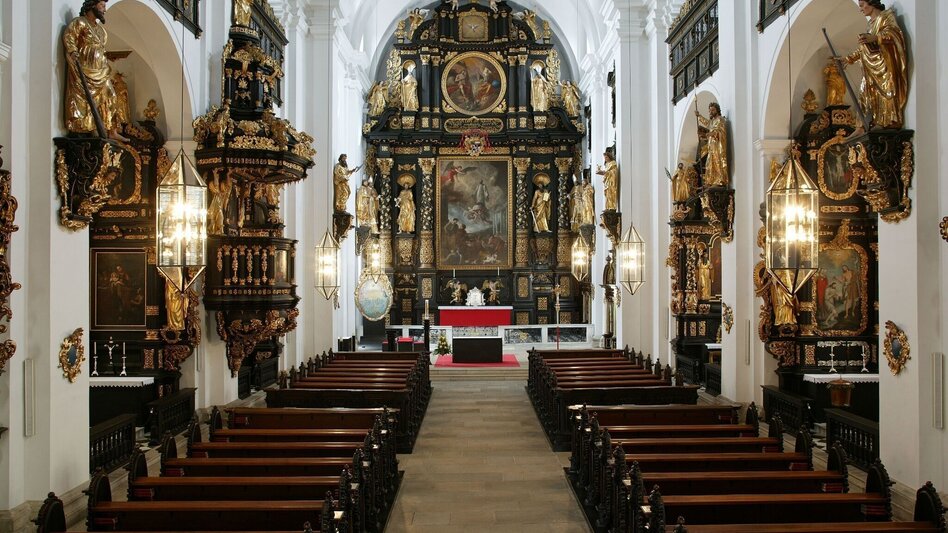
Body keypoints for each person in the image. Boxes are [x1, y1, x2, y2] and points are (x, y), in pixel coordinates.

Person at [840, 0, 908, 130]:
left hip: (884, 65)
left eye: (862, 5)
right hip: (870, 66)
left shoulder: (886, 17)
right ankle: (864, 126)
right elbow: (864, 48)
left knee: (886, 91)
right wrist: (848, 59)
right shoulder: (870, 25)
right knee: (865, 93)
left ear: (871, 2)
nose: (860, 9)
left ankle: (888, 121)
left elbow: (894, 34)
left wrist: (876, 38)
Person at [63, 0, 124, 140]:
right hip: (84, 69)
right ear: (92, 5)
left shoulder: (102, 31)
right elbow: (69, 36)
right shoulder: (80, 22)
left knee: (111, 95)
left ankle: (111, 131)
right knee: (83, 101)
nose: (105, 10)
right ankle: (83, 127)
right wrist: (72, 50)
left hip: (100, 71)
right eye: (102, 6)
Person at [695, 102, 729, 187]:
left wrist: (708, 134)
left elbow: (719, 131)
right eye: (710, 110)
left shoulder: (720, 119)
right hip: (711, 147)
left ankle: (720, 180)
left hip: (718, 146)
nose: (711, 112)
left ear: (717, 110)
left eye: (713, 110)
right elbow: (707, 123)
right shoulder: (712, 121)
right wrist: (699, 116)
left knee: (718, 162)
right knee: (709, 163)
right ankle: (711, 181)